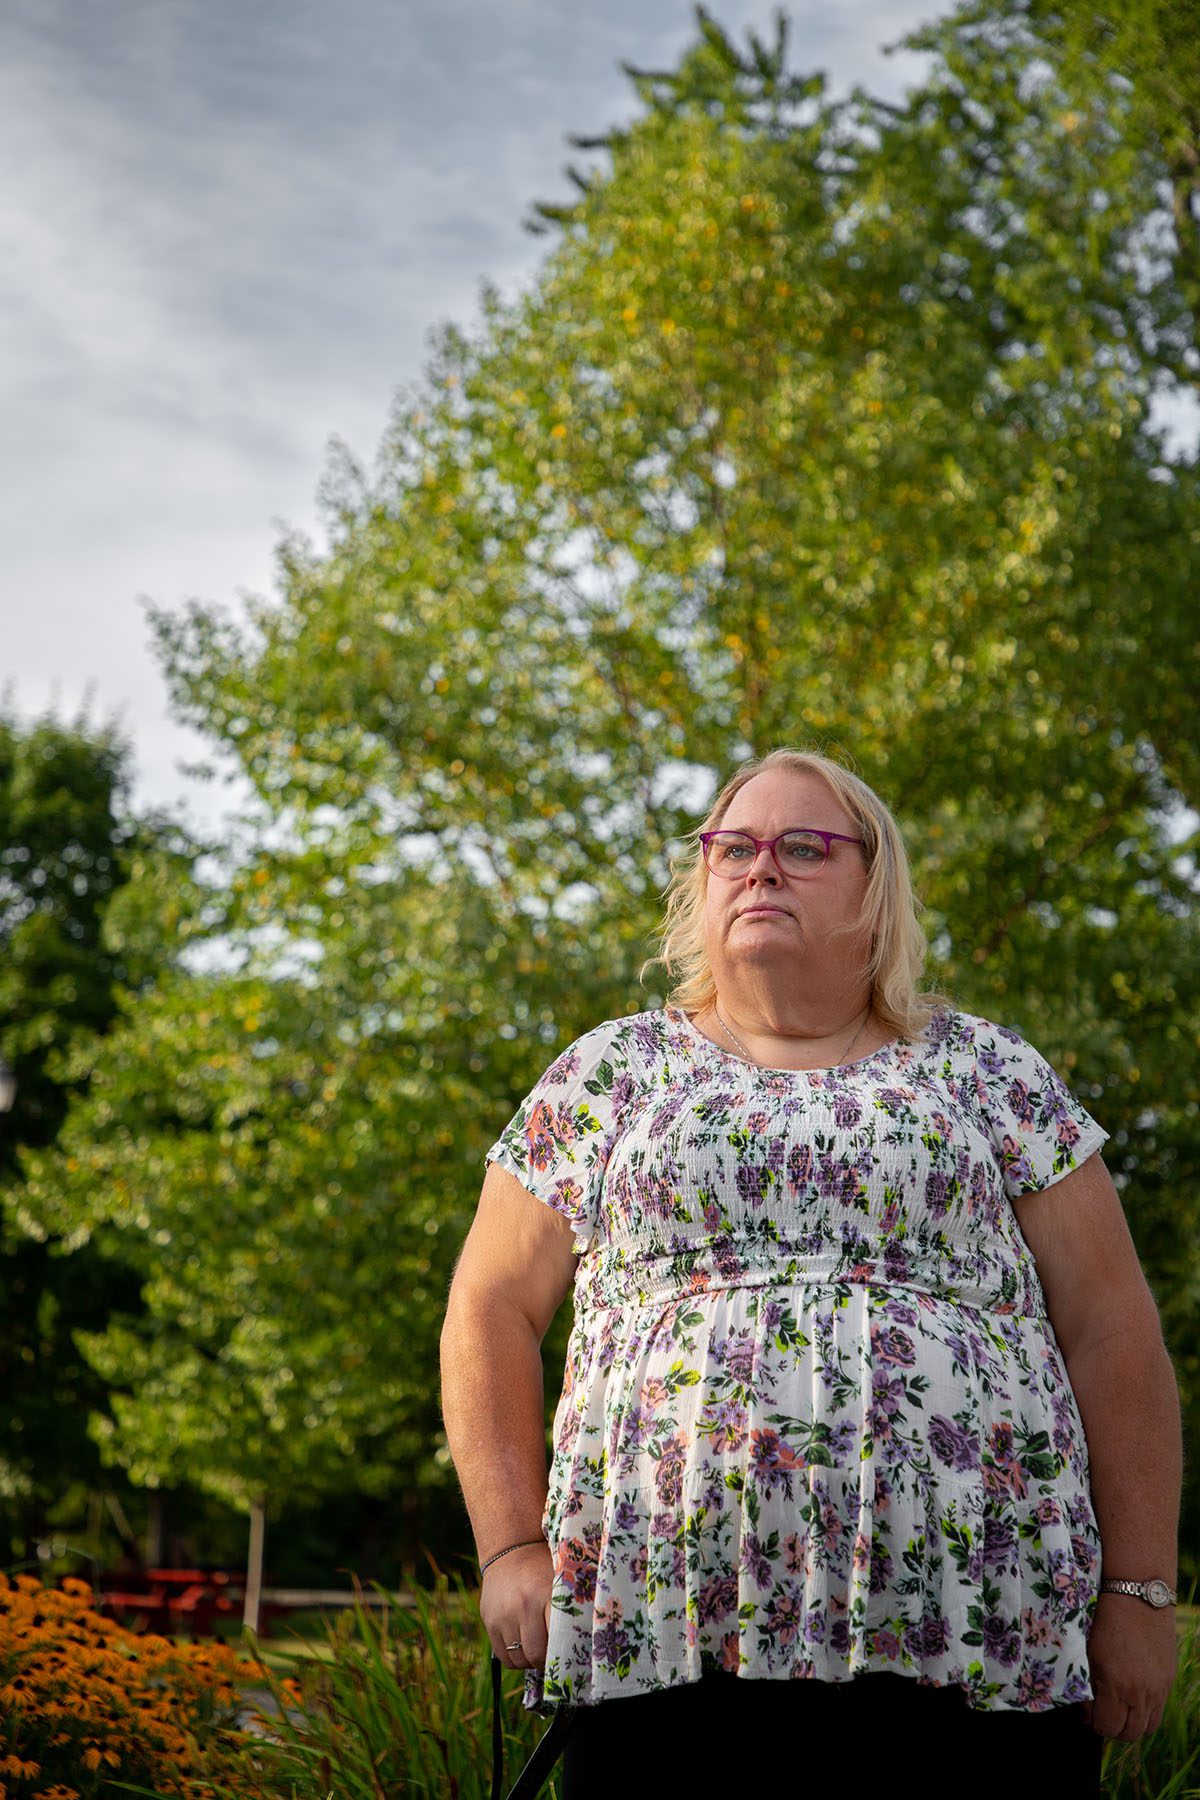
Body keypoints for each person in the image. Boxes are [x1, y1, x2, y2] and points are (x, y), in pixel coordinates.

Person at [440, 749, 1181, 1798]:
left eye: (802, 848)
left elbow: (1113, 1329)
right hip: (662, 1629)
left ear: (875, 888)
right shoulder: (609, 1072)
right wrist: (511, 1545)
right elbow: (488, 1308)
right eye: (733, 849)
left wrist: (1141, 1594)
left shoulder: (987, 1073)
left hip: (980, 1635)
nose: (760, 871)